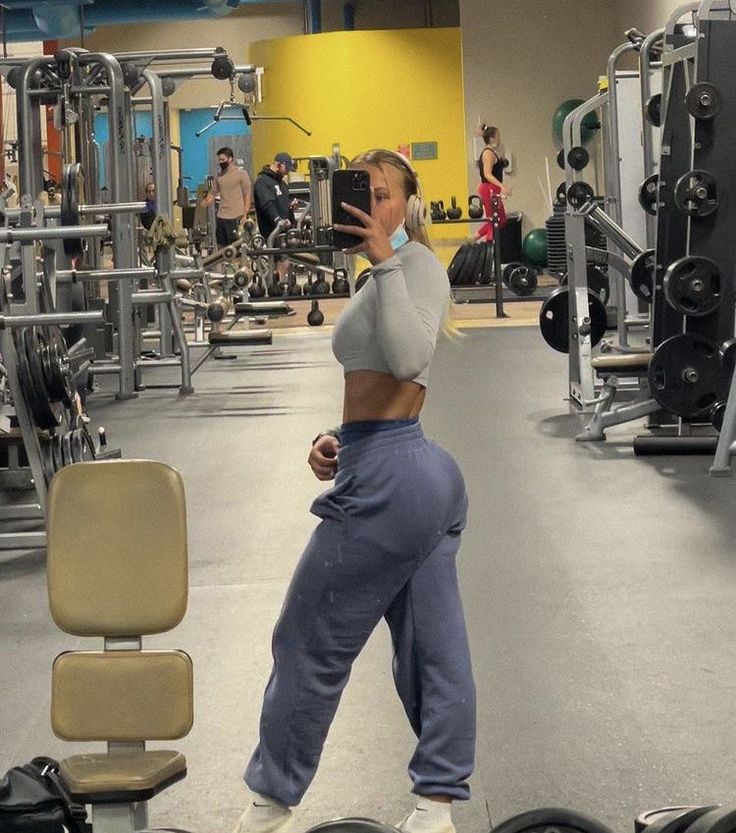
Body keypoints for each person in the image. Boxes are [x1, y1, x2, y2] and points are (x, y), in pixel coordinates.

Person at [233, 149, 475, 833]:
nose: (370, 201)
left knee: (306, 637)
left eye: (384, 192)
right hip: (392, 465)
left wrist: (388, 255)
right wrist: (335, 438)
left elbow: (406, 358)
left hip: (396, 477)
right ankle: (436, 807)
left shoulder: (417, 266)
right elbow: (375, 379)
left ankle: (269, 805)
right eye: (360, 191)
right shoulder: (385, 275)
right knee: (433, 648)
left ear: (409, 205)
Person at [253, 152, 298, 281]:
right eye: (286, 169)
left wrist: (290, 207)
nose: (287, 173)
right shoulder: (262, 182)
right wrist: (277, 220)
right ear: (278, 165)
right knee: (282, 260)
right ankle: (277, 287)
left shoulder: (283, 185)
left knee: (287, 260)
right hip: (272, 230)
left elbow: (282, 204)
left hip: (285, 230)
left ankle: (281, 285)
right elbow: (267, 204)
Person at [202, 146, 252, 248]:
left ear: (230, 159)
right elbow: (212, 193)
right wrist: (204, 203)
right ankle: (224, 264)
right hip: (222, 217)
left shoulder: (241, 174)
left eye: (223, 160)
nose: (221, 162)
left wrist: (245, 214)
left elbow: (247, 195)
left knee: (237, 249)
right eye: (219, 160)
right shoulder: (218, 176)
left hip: (236, 217)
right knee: (222, 249)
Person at [475, 124, 511, 242]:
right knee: (494, 220)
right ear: (491, 138)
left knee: (501, 219)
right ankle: (490, 250)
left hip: (492, 188)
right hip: (488, 188)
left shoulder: (493, 152)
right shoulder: (488, 153)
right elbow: (487, 174)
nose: (499, 139)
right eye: (498, 136)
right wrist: (502, 186)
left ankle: (474, 238)